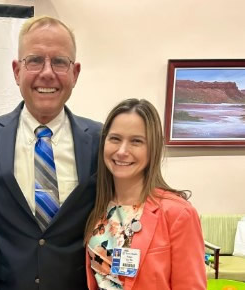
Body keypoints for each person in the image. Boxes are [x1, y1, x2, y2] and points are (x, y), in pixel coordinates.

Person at [0, 16, 102, 290]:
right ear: (17, 71)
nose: (47, 73)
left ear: (75, 73)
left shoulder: (100, 139)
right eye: (35, 60)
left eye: (59, 61)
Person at [84, 98, 206, 290]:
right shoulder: (97, 206)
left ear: (153, 149)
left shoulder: (178, 214)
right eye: (115, 138)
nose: (122, 151)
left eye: (136, 141)